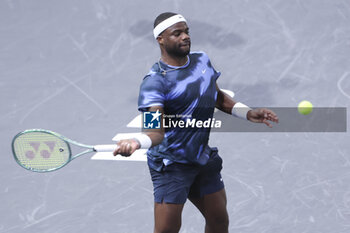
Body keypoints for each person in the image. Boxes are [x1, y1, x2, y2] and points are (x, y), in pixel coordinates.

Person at [113, 12, 279, 233]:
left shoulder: (202, 60)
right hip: (172, 166)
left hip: (202, 159)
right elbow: (155, 132)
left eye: (187, 32)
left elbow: (218, 97)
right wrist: (136, 142)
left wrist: (248, 113)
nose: (185, 37)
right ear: (160, 39)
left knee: (219, 221)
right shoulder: (155, 83)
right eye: (177, 33)